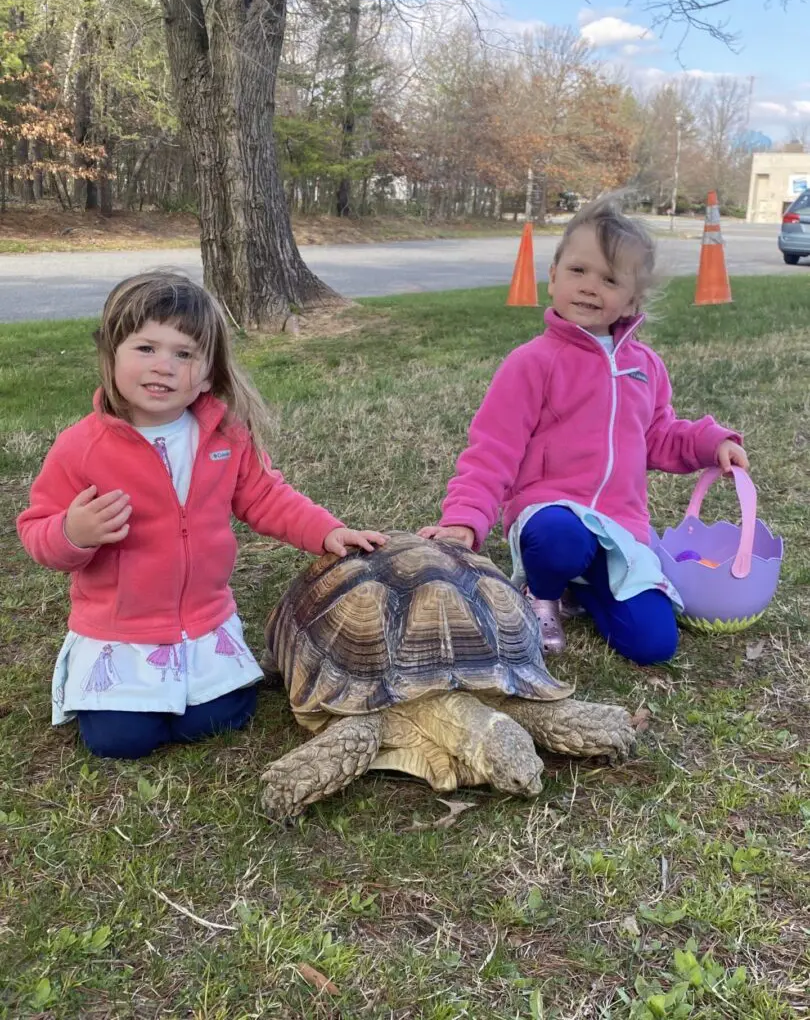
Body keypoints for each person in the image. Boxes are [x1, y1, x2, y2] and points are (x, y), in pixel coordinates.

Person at [17, 272, 387, 759]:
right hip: (122, 630)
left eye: (184, 354)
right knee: (121, 742)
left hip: (202, 622)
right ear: (110, 355)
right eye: (146, 348)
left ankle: (193, 692)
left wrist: (328, 531)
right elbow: (36, 529)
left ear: (210, 373)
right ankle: (124, 702)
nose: (164, 366)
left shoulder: (223, 437)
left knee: (219, 720)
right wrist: (73, 533)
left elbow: (266, 497)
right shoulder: (81, 447)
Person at [420, 197, 748, 665]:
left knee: (654, 644)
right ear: (552, 276)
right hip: (551, 517)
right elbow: (493, 451)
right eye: (578, 270)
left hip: (619, 530)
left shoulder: (646, 367)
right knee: (559, 537)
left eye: (610, 279)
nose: (591, 286)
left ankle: (585, 589)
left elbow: (658, 436)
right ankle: (543, 594)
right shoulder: (532, 362)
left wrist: (709, 442)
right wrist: (464, 519)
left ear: (632, 299)